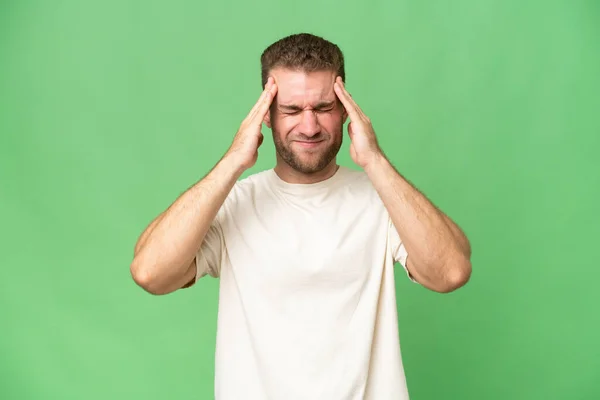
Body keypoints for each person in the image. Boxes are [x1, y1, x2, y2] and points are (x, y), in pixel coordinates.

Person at [130, 32, 472, 400]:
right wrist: (233, 161)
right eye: (292, 110)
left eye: (323, 108)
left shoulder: (383, 201)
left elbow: (451, 271)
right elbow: (151, 272)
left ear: (345, 110)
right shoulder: (234, 203)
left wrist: (375, 161)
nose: (309, 127)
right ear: (266, 116)